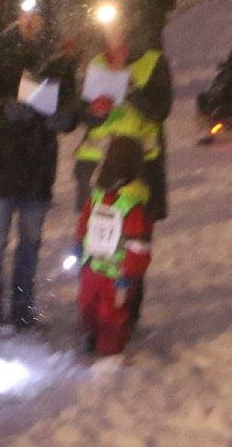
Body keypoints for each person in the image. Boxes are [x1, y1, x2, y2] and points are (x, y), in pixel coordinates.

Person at [0, 0, 78, 331]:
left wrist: (64, 118)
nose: (29, 22)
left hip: (37, 166)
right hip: (1, 166)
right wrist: (2, 109)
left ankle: (22, 310)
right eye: (24, 15)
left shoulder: (58, 60)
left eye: (35, 17)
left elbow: (71, 106)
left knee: (30, 244)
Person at [73, 15, 172, 220]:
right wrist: (95, 112)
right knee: (91, 232)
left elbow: (160, 110)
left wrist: (131, 89)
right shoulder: (96, 62)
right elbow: (81, 113)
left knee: (134, 230)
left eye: (120, 29)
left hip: (138, 162)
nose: (115, 35)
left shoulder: (153, 61)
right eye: (110, 30)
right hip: (97, 161)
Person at [75, 135, 153, 356]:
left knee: (111, 314)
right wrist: (79, 244)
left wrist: (129, 274)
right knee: (87, 304)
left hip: (117, 273)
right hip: (93, 265)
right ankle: (93, 335)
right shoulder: (98, 194)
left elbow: (138, 245)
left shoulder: (132, 203)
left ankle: (109, 351)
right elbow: (85, 221)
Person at [196, 46, 232, 141]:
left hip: (213, 108)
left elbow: (213, 93)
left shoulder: (223, 73)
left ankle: (205, 130)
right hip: (226, 110)